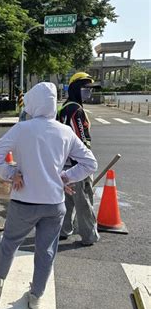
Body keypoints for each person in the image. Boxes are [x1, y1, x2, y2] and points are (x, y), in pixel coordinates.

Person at [0, 82, 97, 309]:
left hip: (24, 200)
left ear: (33, 103)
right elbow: (90, 163)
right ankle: (36, 295)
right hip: (54, 204)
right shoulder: (65, 132)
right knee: (46, 250)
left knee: (10, 242)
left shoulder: (22, 128)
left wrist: (12, 173)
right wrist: (65, 177)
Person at [58, 72, 100, 246]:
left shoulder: (64, 107)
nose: (88, 92)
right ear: (76, 88)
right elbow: (80, 139)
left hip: (64, 162)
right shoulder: (76, 109)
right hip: (78, 165)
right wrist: (85, 163)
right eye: (85, 88)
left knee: (68, 200)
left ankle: (63, 230)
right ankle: (89, 235)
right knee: (84, 201)